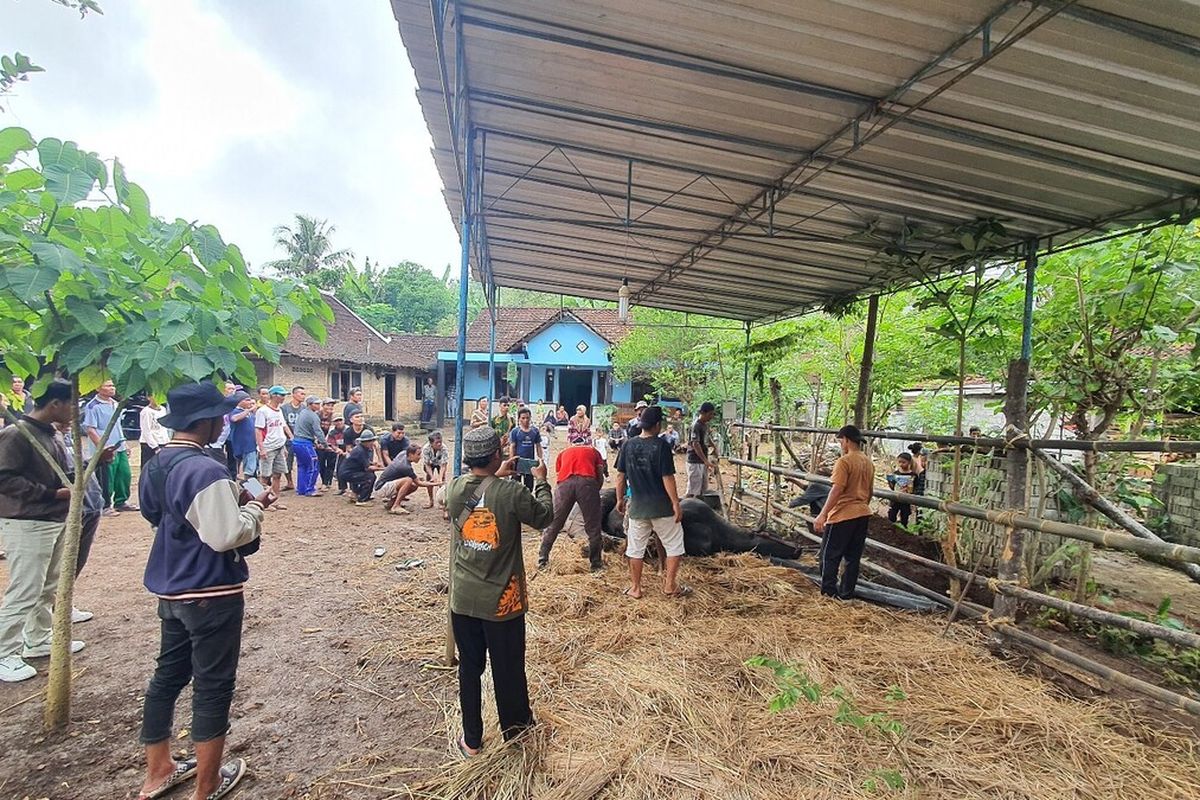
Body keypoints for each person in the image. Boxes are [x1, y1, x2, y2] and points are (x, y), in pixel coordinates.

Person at [135, 381, 274, 800]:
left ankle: (158, 770)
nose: (223, 423)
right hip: (211, 590)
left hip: (171, 586)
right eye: (220, 417)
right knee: (213, 686)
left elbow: (154, 514)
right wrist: (254, 508)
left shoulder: (157, 463)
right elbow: (224, 535)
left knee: (167, 677)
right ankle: (207, 785)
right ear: (207, 421)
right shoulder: (205, 470)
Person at [446, 426, 552, 757]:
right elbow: (544, 516)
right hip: (502, 603)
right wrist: (542, 481)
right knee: (508, 670)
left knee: (469, 669)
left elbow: (478, 489)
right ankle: (517, 735)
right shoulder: (511, 493)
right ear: (496, 455)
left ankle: (472, 740)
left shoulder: (454, 488)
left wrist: (494, 475)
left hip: (463, 600)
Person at [0, 380, 85, 683]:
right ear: (55, 404)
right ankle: (4, 652)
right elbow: (4, 479)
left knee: (48, 585)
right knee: (25, 589)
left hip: (52, 519)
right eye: (72, 404)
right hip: (28, 521)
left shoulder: (52, 434)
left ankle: (37, 638)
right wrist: (49, 494)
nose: (76, 411)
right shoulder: (17, 435)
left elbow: (61, 473)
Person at [615, 405, 688, 599]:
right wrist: (675, 503)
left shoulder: (627, 445)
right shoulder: (661, 446)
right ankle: (670, 585)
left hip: (638, 507)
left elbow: (620, 476)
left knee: (635, 548)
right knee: (674, 545)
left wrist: (619, 499)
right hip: (662, 507)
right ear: (657, 425)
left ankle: (636, 588)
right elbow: (667, 478)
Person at [813, 425, 876, 600]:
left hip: (842, 514)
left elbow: (837, 489)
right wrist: (862, 506)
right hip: (862, 513)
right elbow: (870, 491)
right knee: (852, 557)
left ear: (846, 440)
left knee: (829, 555)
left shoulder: (844, 462)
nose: (841, 444)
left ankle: (828, 593)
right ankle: (847, 594)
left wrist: (823, 514)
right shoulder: (868, 462)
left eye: (841, 440)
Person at [538, 438, 607, 571]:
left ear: (571, 444)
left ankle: (542, 559)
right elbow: (600, 475)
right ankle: (596, 564)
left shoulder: (563, 453)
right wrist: (594, 491)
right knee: (593, 526)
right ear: (585, 443)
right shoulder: (593, 451)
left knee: (555, 523)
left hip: (565, 485)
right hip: (587, 483)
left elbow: (559, 476)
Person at [84, 379, 136, 515]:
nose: (112, 388)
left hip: (119, 445)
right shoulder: (93, 406)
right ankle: (105, 505)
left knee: (124, 474)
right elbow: (90, 429)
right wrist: (102, 447)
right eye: (108, 386)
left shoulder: (115, 404)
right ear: (98, 388)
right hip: (106, 448)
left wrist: (125, 443)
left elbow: (118, 425)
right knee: (107, 477)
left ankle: (121, 501)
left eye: (113, 385)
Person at [254, 386, 291, 510]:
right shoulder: (263, 411)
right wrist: (262, 448)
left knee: (277, 474)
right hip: (268, 446)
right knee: (265, 476)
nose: (283, 397)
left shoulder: (279, 410)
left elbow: (282, 427)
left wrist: (285, 444)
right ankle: (262, 502)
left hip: (279, 446)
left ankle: (274, 500)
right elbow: (258, 430)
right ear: (274, 395)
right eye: (281, 395)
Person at [377, 444, 441, 515]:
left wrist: (417, 478)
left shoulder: (403, 454)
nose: (420, 457)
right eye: (418, 454)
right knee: (409, 480)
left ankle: (391, 503)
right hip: (381, 488)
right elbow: (419, 483)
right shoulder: (406, 467)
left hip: (383, 485)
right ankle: (395, 506)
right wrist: (437, 483)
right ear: (411, 455)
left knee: (413, 485)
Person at [292, 396, 325, 497]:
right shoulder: (313, 416)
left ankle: (301, 489)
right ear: (310, 404)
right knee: (313, 466)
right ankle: (309, 489)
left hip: (297, 442)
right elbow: (318, 431)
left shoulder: (303, 412)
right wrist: (324, 443)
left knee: (302, 466)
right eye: (316, 404)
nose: (319, 406)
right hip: (305, 443)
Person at [337, 428, 381, 505]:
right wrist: (383, 468)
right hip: (348, 473)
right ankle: (362, 499)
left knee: (367, 475)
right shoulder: (360, 451)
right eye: (371, 441)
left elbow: (363, 462)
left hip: (349, 471)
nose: (372, 442)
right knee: (370, 477)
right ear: (365, 442)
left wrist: (373, 463)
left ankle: (357, 494)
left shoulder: (362, 449)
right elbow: (368, 467)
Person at [686, 402, 717, 498]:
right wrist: (705, 461)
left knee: (702, 488)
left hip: (702, 461)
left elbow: (707, 437)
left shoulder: (705, 425)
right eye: (710, 414)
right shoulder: (696, 425)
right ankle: (686, 505)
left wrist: (714, 446)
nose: (711, 416)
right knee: (693, 490)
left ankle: (699, 504)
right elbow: (695, 444)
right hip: (695, 461)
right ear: (703, 413)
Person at [508, 407, 543, 490]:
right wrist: (511, 460)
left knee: (529, 486)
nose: (525, 420)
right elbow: (512, 446)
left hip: (530, 462)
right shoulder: (515, 431)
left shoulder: (535, 431)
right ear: (519, 419)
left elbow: (538, 445)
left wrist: (540, 459)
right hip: (518, 462)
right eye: (523, 418)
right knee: (516, 485)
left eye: (527, 418)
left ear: (530, 418)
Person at [280, 386, 306, 491]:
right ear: (294, 394)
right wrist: (290, 436)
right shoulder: (285, 408)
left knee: (302, 462)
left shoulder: (304, 409)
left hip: (301, 439)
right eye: (301, 394)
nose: (303, 396)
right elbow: (283, 424)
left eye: (304, 394)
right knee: (288, 462)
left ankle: (302, 483)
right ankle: (289, 482)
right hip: (288, 439)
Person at [139, 396, 170, 469]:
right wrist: (155, 447)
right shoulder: (146, 411)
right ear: (149, 398)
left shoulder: (163, 409)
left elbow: (164, 428)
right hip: (149, 445)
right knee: (148, 467)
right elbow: (146, 430)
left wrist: (167, 442)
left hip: (162, 442)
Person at [422, 432, 449, 515]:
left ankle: (443, 502)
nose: (439, 444)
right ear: (431, 443)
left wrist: (440, 477)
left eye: (440, 442)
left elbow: (443, 465)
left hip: (440, 463)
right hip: (430, 463)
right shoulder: (426, 448)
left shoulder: (444, 448)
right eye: (436, 442)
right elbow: (427, 464)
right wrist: (432, 476)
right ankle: (431, 500)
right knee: (429, 480)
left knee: (442, 481)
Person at [886, 452, 916, 527]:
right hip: (895, 498)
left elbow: (915, 488)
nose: (901, 464)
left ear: (909, 462)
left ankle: (903, 528)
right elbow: (892, 487)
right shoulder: (896, 474)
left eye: (903, 462)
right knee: (892, 515)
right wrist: (889, 481)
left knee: (905, 516)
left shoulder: (913, 475)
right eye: (899, 462)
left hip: (906, 499)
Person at [323, 415, 346, 491]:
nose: (339, 422)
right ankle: (342, 488)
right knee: (339, 470)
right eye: (336, 421)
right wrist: (337, 449)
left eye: (340, 420)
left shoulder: (348, 430)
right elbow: (331, 443)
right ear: (333, 423)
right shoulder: (332, 432)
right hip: (339, 450)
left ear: (344, 421)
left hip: (350, 449)